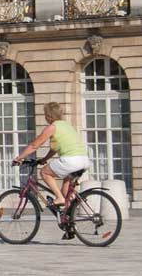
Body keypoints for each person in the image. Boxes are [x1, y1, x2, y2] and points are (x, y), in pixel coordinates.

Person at [15, 102, 92, 240]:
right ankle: (69, 225)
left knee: (44, 172)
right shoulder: (66, 126)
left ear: (48, 115)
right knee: (66, 190)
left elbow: (34, 145)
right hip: (84, 160)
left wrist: (19, 158)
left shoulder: (52, 127)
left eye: (45, 115)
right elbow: (56, 147)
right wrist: (45, 158)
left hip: (71, 160)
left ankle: (59, 198)